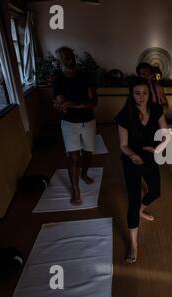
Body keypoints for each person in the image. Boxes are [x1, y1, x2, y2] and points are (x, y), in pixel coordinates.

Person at [115, 77, 170, 263]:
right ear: (131, 94)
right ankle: (134, 245)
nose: (141, 97)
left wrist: (158, 149)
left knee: (155, 192)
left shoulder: (156, 109)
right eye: (137, 93)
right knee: (133, 199)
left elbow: (166, 134)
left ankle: (140, 210)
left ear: (149, 93)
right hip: (132, 160)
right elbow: (123, 145)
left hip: (150, 156)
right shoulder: (124, 115)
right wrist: (132, 155)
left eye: (145, 93)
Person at [53, 46, 98, 206]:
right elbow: (60, 101)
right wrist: (62, 106)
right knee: (73, 157)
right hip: (69, 123)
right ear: (60, 60)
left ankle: (84, 174)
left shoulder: (86, 76)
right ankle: (76, 190)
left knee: (88, 154)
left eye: (71, 56)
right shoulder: (58, 78)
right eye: (65, 57)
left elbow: (94, 101)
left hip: (88, 121)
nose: (69, 59)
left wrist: (78, 106)